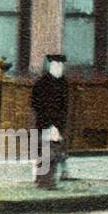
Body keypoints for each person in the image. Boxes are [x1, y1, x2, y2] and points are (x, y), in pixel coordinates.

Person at [30, 54, 69, 189]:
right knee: (47, 153)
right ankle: (46, 182)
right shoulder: (42, 83)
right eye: (56, 65)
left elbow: (64, 106)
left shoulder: (63, 83)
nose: (59, 68)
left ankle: (44, 180)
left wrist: (60, 126)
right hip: (45, 123)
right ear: (50, 66)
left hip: (57, 124)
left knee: (52, 153)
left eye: (61, 66)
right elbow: (37, 104)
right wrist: (51, 124)